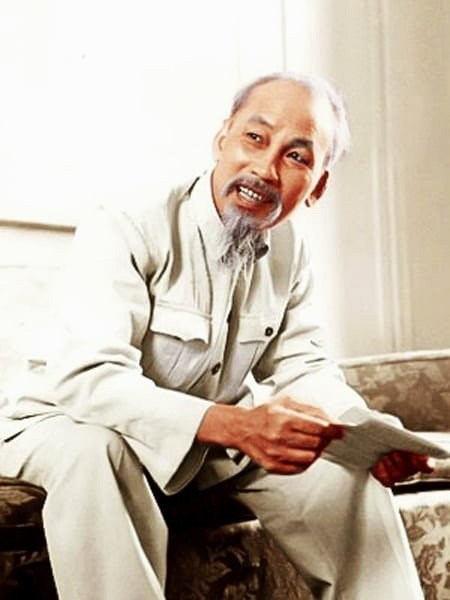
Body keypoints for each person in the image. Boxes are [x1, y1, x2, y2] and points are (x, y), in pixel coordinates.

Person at [0, 73, 431, 599]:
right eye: (255, 137)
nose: (264, 168)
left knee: (345, 477)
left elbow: (304, 366)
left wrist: (362, 434)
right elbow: (90, 379)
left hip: (205, 449)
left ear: (317, 186)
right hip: (61, 422)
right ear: (222, 138)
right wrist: (240, 426)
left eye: (296, 156)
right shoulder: (126, 223)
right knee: (98, 451)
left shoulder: (290, 248)